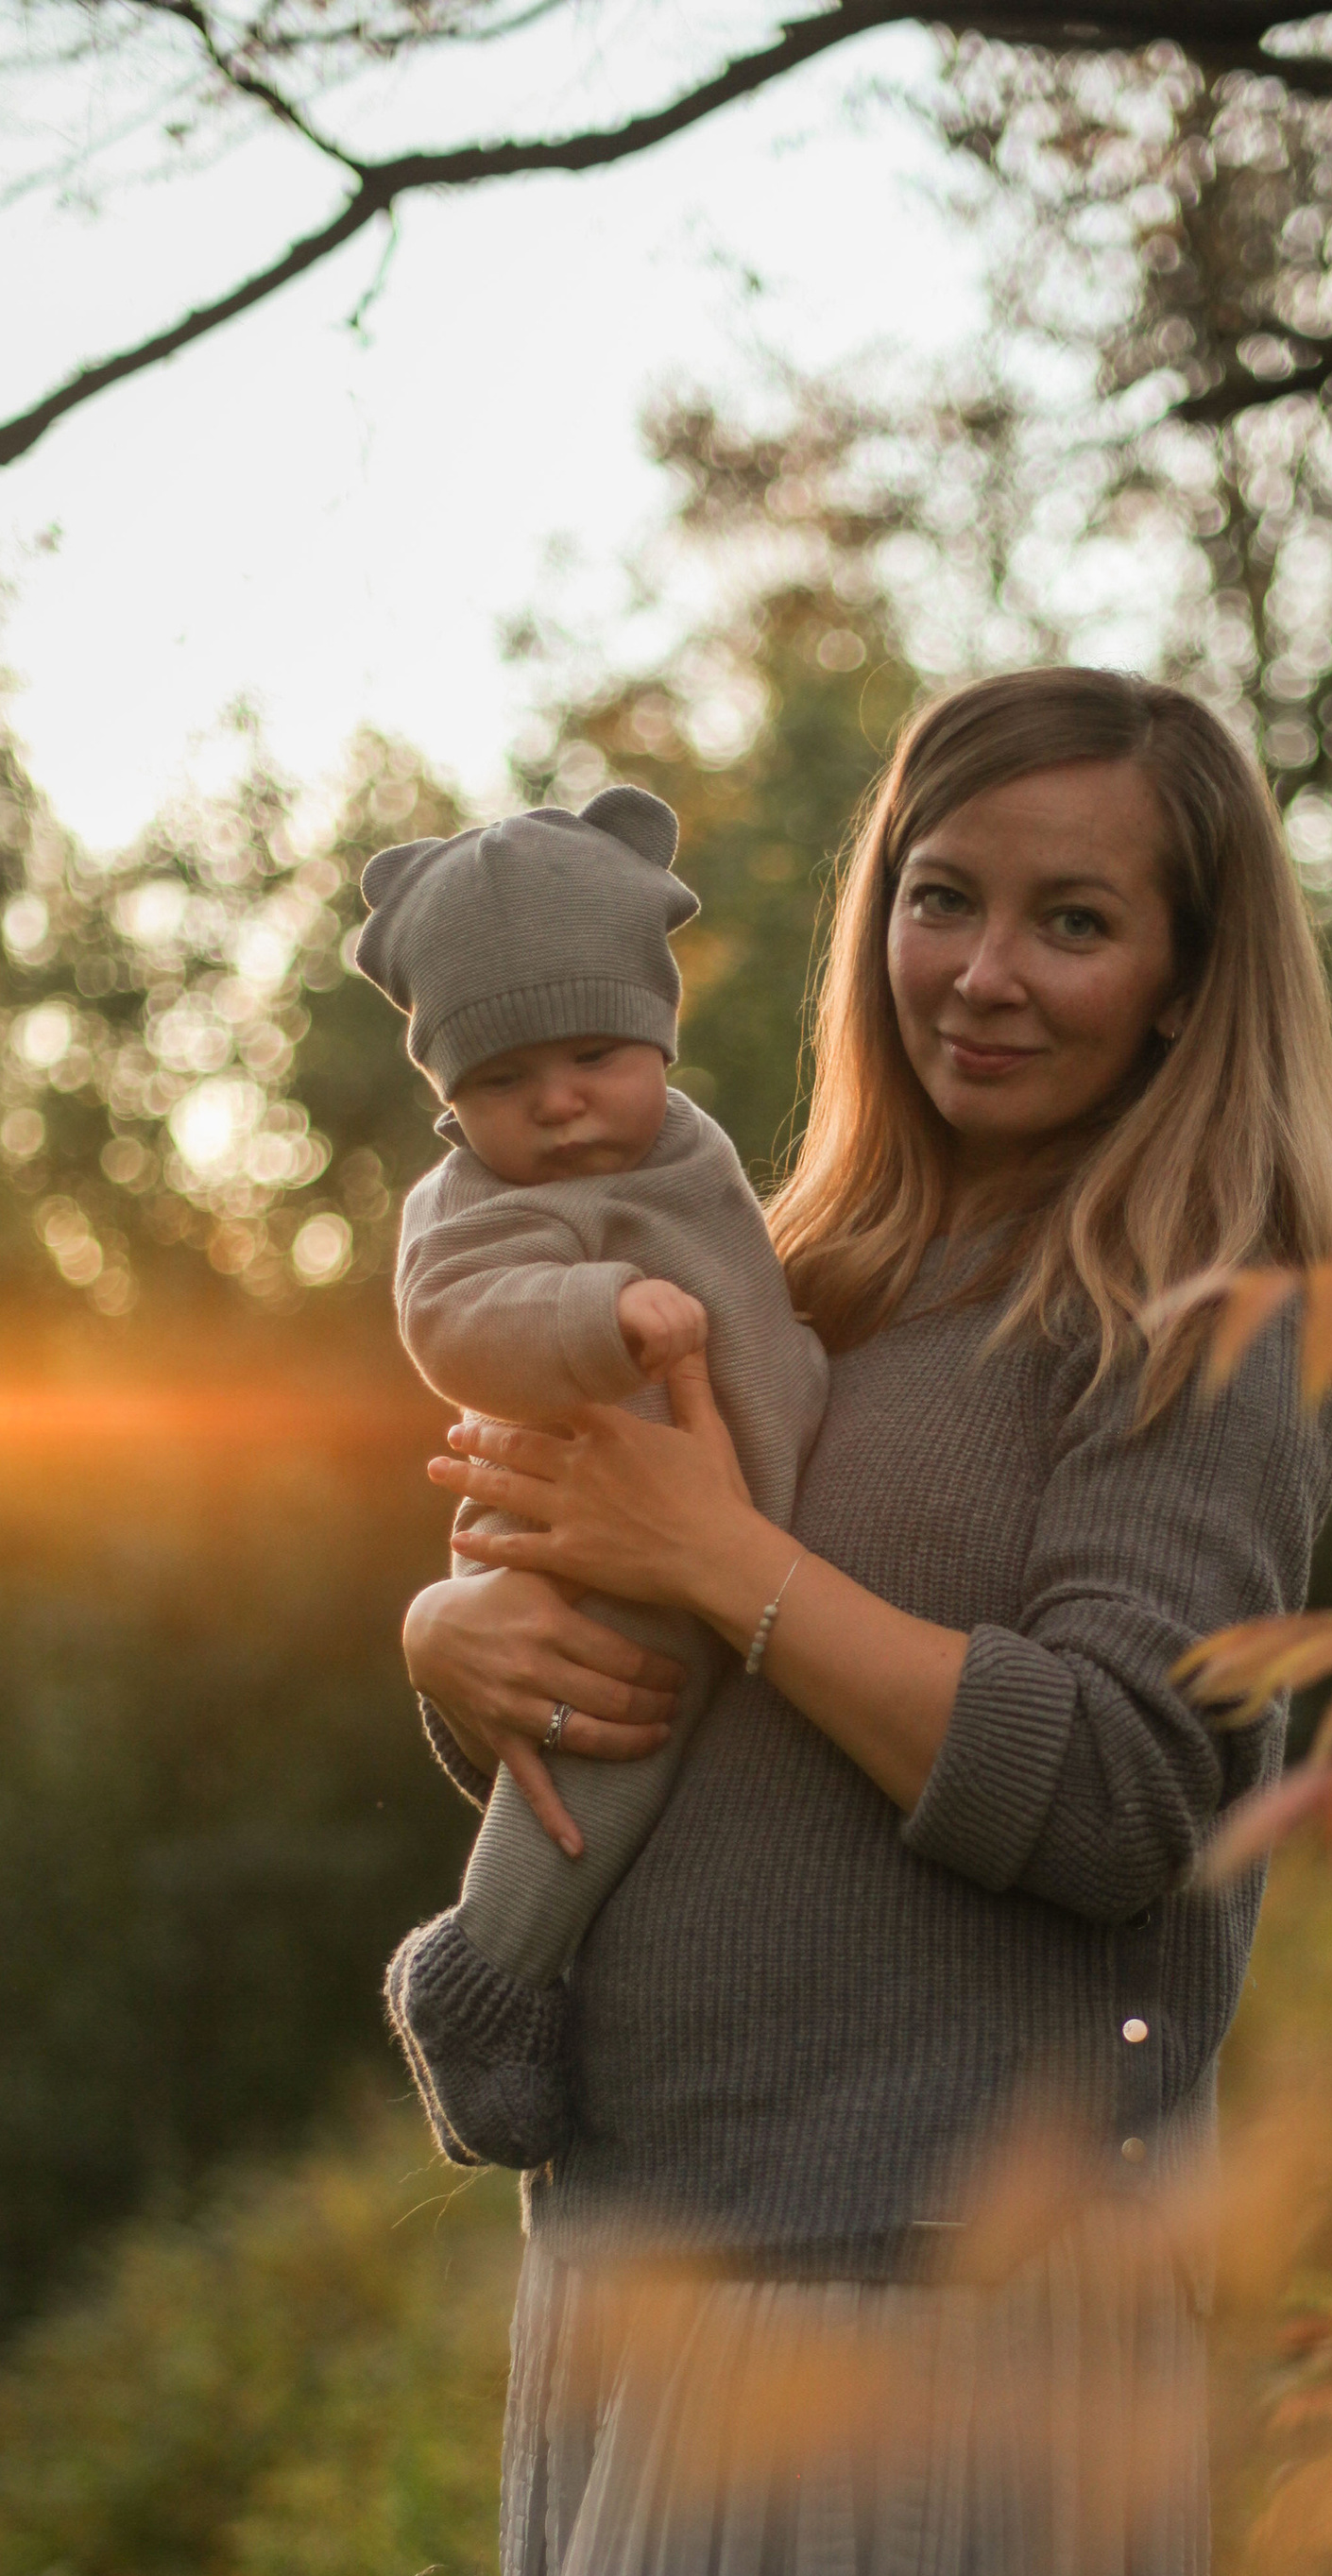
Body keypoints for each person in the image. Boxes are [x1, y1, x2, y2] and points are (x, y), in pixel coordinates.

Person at [396, 668, 1332, 2576]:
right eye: (946, 895)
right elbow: (606, 1686)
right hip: (660, 2230)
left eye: (1076, 918)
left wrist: (731, 1560)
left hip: (935, 2277)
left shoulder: (1196, 1324)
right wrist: (450, 1648)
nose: (987, 966)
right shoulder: (770, 1258)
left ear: (1192, 977)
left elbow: (1115, 1793)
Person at [354, 784, 827, 2168]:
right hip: (576, 1539)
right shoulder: (469, 1206)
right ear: (449, 1097)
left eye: (596, 1054)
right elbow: (456, 1323)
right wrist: (597, 1307)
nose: (557, 1104)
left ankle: (523, 1961)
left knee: (640, 1721)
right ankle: (489, 1973)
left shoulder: (693, 1145)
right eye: (500, 1082)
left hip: (702, 1514)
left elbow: (745, 1289)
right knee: (613, 1737)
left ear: (657, 1034)